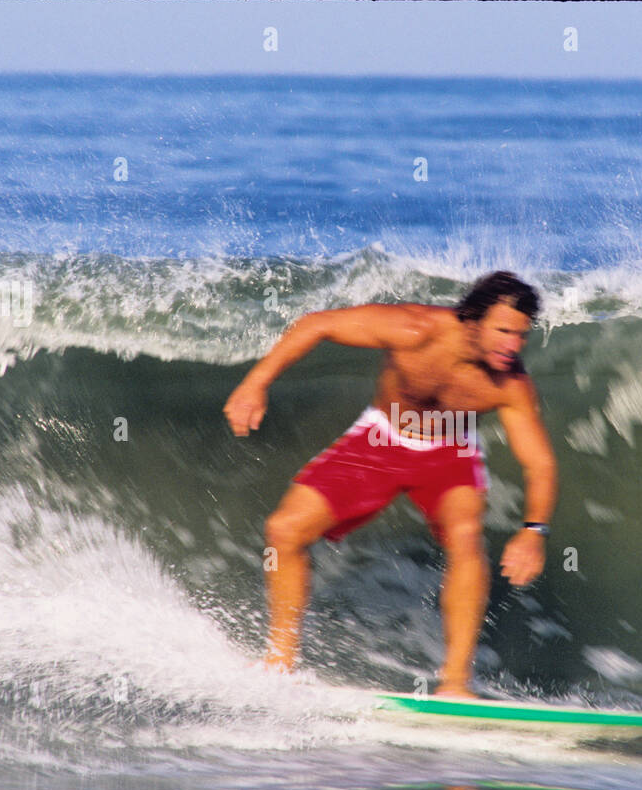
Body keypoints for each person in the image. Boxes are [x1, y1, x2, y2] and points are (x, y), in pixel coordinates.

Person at [223, 271, 558, 698]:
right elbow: (317, 324)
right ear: (472, 319)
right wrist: (256, 384)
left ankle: (455, 684)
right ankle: (280, 659)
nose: (513, 345)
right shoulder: (414, 328)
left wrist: (534, 532)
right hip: (382, 440)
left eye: (521, 335)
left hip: (449, 452)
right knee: (284, 531)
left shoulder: (511, 385)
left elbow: (539, 464)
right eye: (504, 330)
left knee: (466, 538)